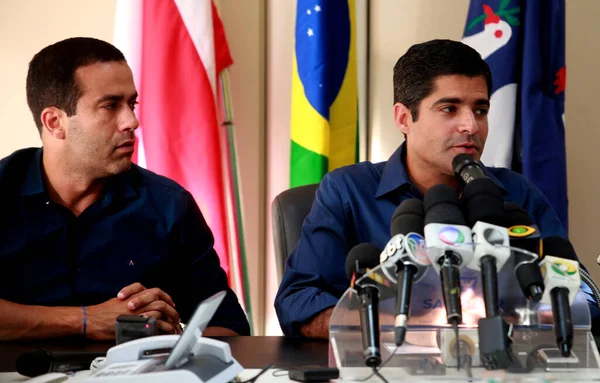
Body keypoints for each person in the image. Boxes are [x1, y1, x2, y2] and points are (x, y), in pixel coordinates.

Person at [274, 39, 599, 338]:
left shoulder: (517, 193)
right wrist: (410, 324)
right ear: (404, 118)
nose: (471, 126)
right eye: (449, 109)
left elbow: (583, 298)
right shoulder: (347, 191)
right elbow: (298, 303)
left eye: (480, 110)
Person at [0, 37, 250, 340]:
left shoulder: (169, 205)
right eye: (110, 106)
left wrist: (173, 336)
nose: (131, 121)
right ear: (55, 122)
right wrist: (85, 320)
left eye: (131, 104)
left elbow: (230, 328)